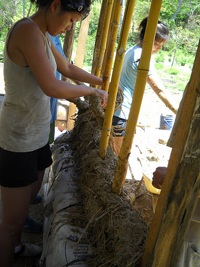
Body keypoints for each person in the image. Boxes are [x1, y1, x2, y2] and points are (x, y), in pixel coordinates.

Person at [0, 0, 108, 266]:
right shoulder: (26, 31)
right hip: (18, 139)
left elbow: (67, 69)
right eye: (70, 20)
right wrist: (92, 92)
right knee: (12, 221)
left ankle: (16, 248)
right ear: (55, 6)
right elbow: (52, 85)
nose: (70, 27)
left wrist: (101, 81)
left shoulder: (43, 35)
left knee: (31, 192)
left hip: (35, 134)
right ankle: (7, 252)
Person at [111, 17, 178, 155]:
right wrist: (179, 112)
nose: (159, 48)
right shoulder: (141, 57)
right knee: (119, 159)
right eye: (156, 43)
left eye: (161, 45)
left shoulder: (132, 50)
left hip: (118, 110)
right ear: (146, 38)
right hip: (122, 114)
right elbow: (160, 90)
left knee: (115, 158)